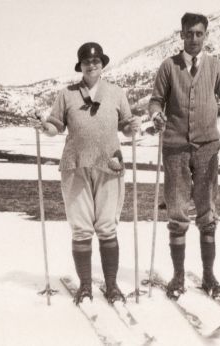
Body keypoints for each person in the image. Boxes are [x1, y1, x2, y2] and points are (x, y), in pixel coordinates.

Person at [149, 12, 220, 299]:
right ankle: (178, 276)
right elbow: (156, 100)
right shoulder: (169, 66)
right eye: (189, 33)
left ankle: (209, 275)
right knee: (177, 212)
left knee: (207, 211)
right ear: (181, 35)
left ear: (205, 35)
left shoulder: (215, 66)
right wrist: (156, 115)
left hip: (207, 149)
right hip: (175, 148)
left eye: (199, 34)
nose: (193, 39)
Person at [38, 42, 141, 304]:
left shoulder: (117, 93)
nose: (91, 65)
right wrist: (45, 128)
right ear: (80, 65)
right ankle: (85, 286)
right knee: (81, 229)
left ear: (102, 64)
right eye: (86, 61)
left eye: (96, 61)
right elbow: (56, 126)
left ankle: (112, 286)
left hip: (110, 165)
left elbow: (127, 128)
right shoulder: (67, 94)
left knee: (107, 227)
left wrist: (134, 127)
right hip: (76, 165)